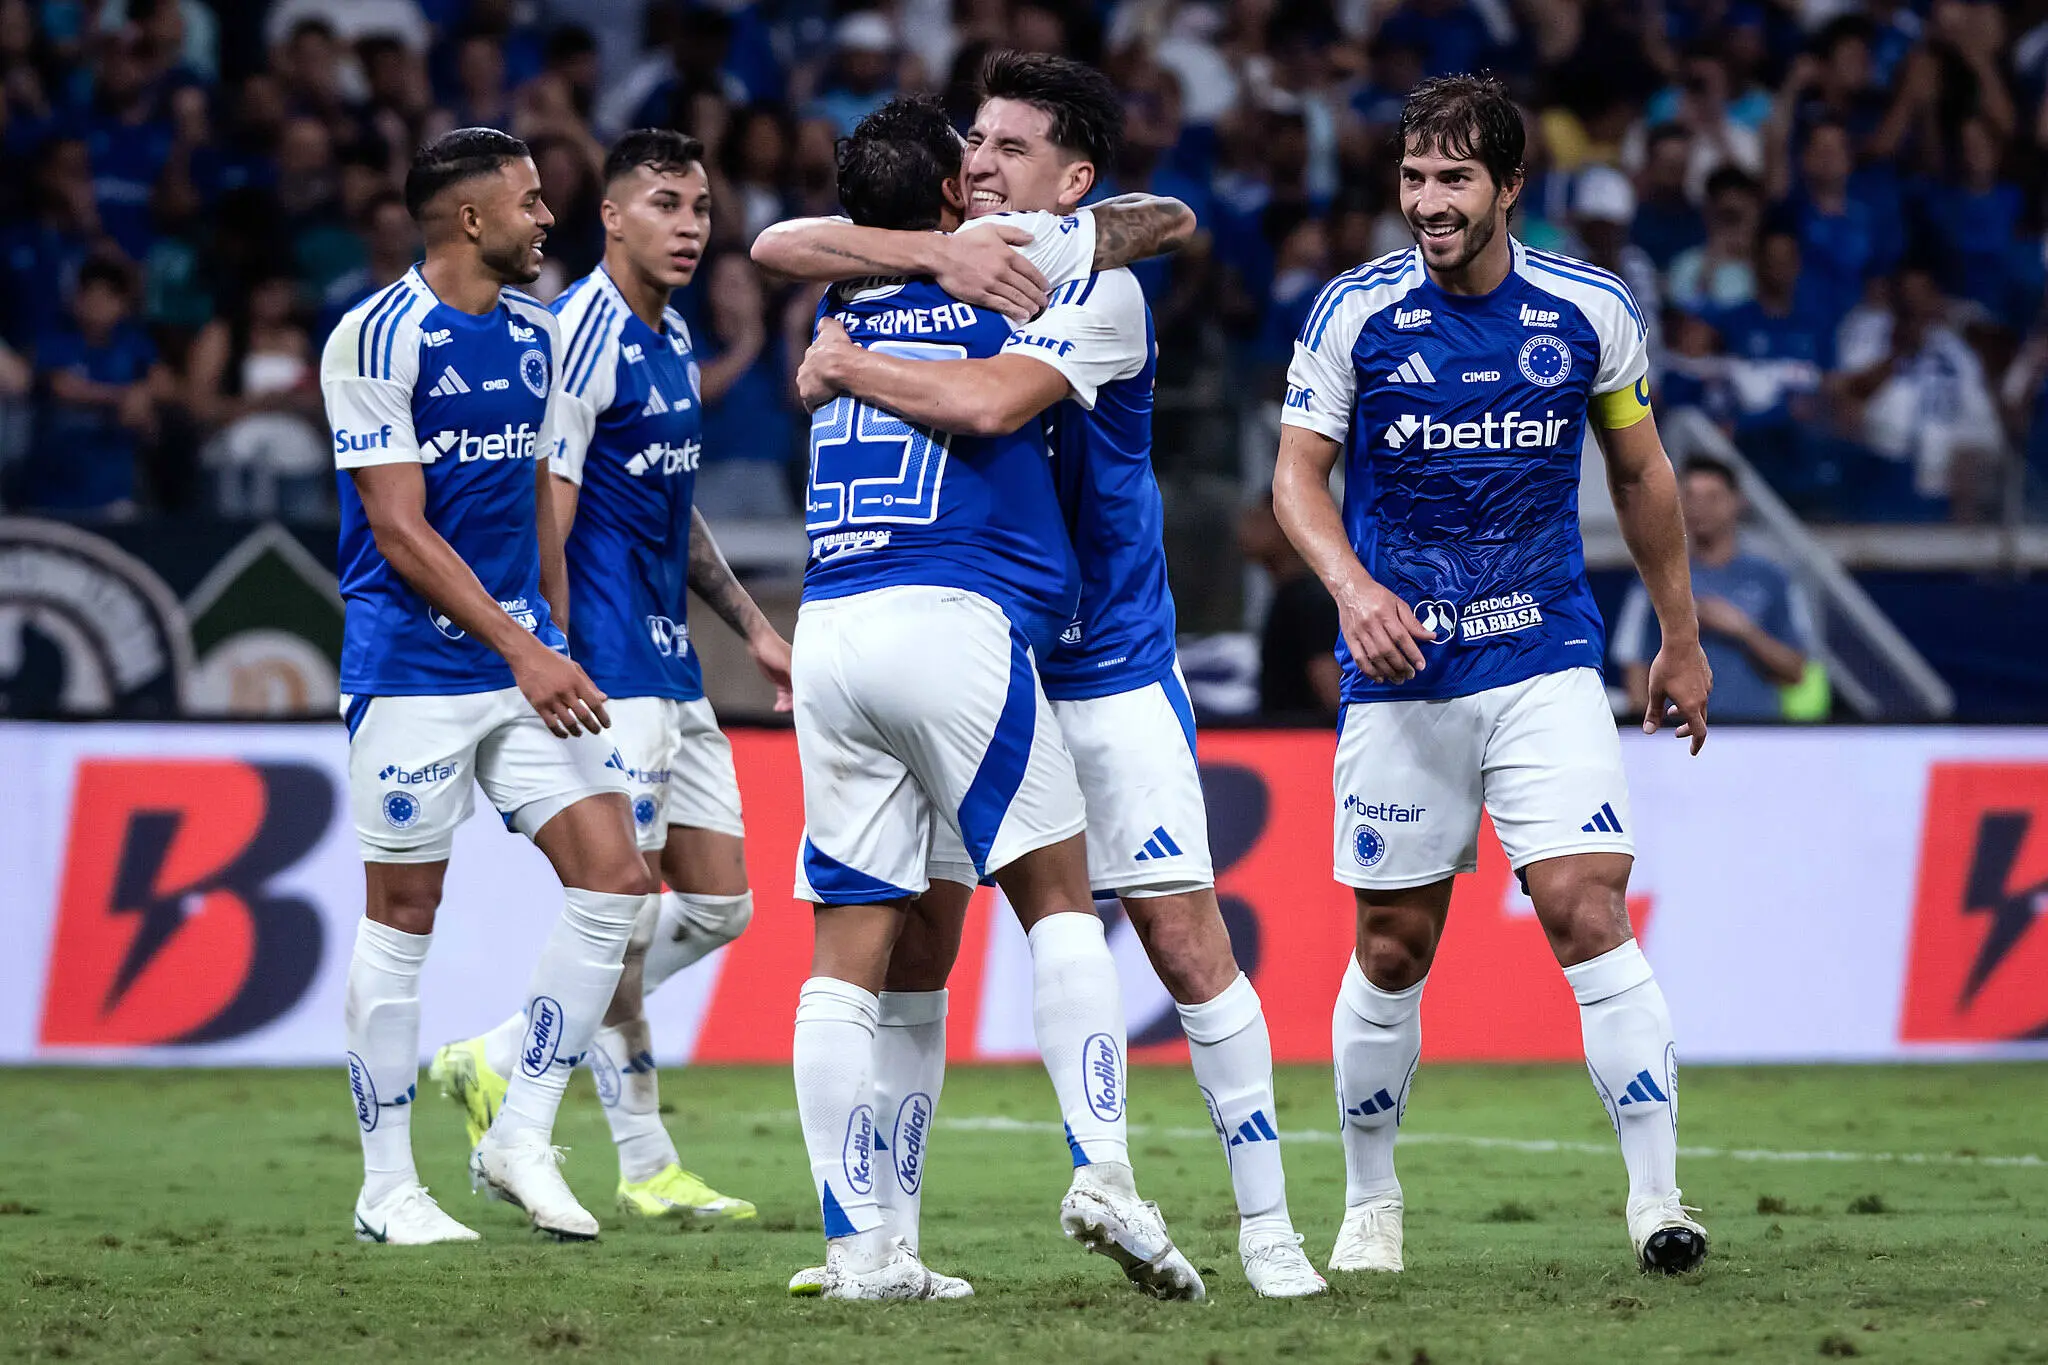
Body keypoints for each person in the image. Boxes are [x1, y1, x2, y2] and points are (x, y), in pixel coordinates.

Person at [757, 53, 1325, 1300]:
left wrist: (848, 364)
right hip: (983, 651)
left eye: (1011, 146)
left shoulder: (1089, 289)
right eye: (973, 139)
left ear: (1067, 180)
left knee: (1181, 940)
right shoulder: (936, 265)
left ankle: (1268, 1229)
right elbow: (782, 241)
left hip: (1105, 664)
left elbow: (1000, 395)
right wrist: (925, 258)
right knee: (919, 951)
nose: (977, 158)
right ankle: (881, 1245)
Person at [1271, 75, 1715, 1277]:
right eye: (1412, 177)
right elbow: (1295, 479)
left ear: (1509, 187)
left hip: (1543, 659)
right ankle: (1370, 1206)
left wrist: (1676, 637)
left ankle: (1657, 1202)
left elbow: (1640, 474)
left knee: (1582, 907)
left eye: (1452, 179)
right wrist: (1352, 591)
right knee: (1391, 951)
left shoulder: (1587, 309)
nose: (1426, 201)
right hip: (1402, 675)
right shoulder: (1352, 314)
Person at [425, 130, 791, 1225]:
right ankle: (634, 1161)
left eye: (701, 208)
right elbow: (554, 507)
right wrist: (553, 649)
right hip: (608, 674)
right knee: (616, 909)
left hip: (674, 668)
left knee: (719, 906)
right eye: (668, 205)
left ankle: (497, 1050)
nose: (690, 227)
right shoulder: (578, 334)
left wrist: (754, 629)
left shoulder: (671, 336)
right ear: (613, 219)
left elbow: (670, 515)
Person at [323, 127, 655, 1246]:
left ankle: (518, 1133)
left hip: (525, 663)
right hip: (412, 672)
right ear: (470, 220)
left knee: (615, 881)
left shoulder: (535, 333)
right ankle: (385, 1189)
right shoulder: (372, 341)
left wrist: (554, 637)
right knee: (403, 916)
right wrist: (524, 649)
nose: (544, 218)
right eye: (526, 202)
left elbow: (535, 505)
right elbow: (398, 529)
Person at [1612, 457, 1812, 722]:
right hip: (1679, 734)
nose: (1699, 507)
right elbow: (1634, 664)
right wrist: (1646, 729)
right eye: (1690, 496)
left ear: (1737, 501)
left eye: (1713, 497)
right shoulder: (1654, 579)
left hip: (1757, 735)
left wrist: (1744, 631)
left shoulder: (1773, 578)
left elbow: (1796, 672)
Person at [20, 257, 166, 515]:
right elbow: (61, 387)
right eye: (90, 295)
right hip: (51, 497)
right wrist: (121, 397)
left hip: (112, 497)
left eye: (109, 297)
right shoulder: (54, 340)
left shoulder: (135, 347)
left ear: (123, 305)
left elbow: (161, 387)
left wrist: (143, 398)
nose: (98, 305)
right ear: (76, 299)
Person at [1238, 490, 1340, 720]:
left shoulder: (1310, 600)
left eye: (1259, 519)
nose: (1245, 528)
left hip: (1305, 743)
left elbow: (1331, 689)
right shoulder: (1289, 594)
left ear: (1290, 526)